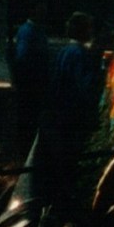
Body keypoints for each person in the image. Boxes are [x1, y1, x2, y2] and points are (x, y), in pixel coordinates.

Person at [43, 11, 104, 205]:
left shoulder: (65, 50)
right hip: (73, 116)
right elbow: (86, 86)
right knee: (71, 161)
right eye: (89, 28)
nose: (91, 32)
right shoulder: (79, 54)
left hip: (60, 114)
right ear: (82, 30)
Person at [10, 0, 49, 157]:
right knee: (28, 119)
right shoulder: (28, 31)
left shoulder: (36, 30)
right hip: (30, 84)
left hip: (35, 82)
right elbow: (22, 58)